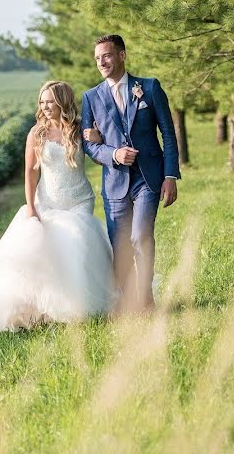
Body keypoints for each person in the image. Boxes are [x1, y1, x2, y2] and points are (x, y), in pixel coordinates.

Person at [0, 81, 117, 337]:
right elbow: (30, 174)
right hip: (47, 201)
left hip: (79, 200)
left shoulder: (79, 130)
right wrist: (31, 207)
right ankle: (45, 309)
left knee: (77, 249)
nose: (45, 106)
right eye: (42, 102)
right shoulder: (36, 133)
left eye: (50, 101)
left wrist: (96, 139)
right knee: (46, 254)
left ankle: (81, 306)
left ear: (63, 102)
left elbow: (99, 153)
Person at [80, 34, 180, 314]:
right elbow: (88, 144)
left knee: (140, 236)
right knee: (121, 245)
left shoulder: (149, 88)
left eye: (107, 55)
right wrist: (113, 154)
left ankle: (146, 299)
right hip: (114, 181)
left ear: (122, 55)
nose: (102, 62)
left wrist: (170, 175)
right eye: (98, 58)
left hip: (149, 178)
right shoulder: (91, 97)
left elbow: (168, 135)